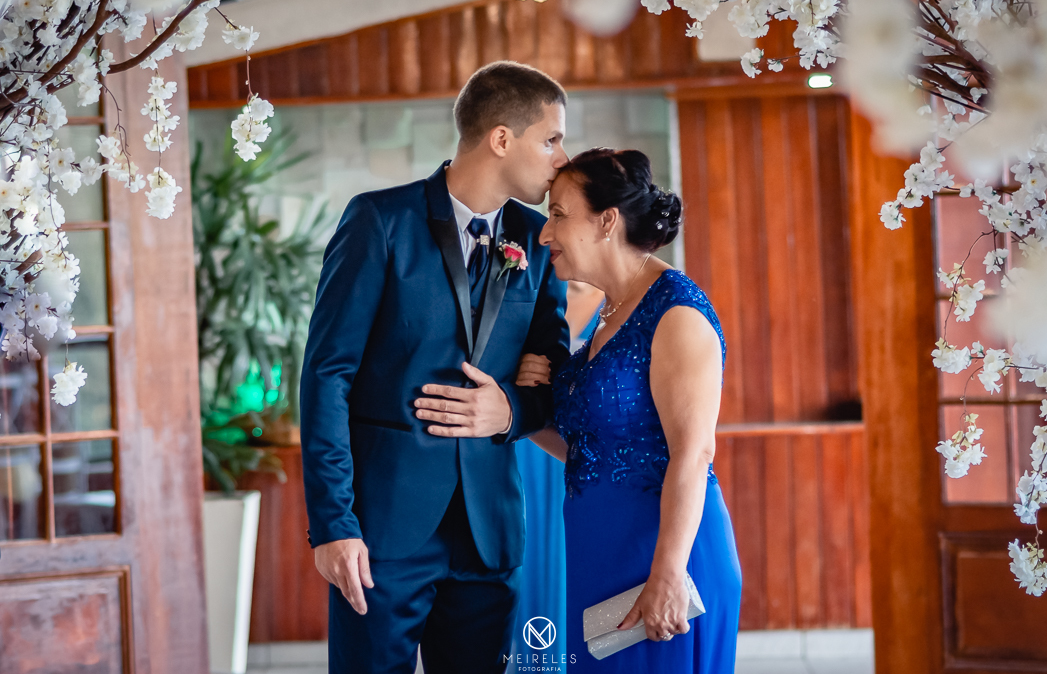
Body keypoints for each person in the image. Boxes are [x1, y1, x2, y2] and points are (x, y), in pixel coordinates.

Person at [299, 61, 571, 674]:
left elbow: (552, 379)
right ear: (501, 139)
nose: (562, 159)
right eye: (551, 139)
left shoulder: (538, 241)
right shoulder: (379, 221)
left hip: (488, 535)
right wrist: (333, 525)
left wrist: (509, 412)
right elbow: (327, 376)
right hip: (381, 534)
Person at [483, 148, 742, 670]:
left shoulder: (676, 312)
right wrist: (519, 410)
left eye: (559, 215)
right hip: (596, 555)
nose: (544, 234)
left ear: (607, 221)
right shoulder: (611, 311)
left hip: (664, 559)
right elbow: (591, 452)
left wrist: (668, 574)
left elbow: (693, 454)